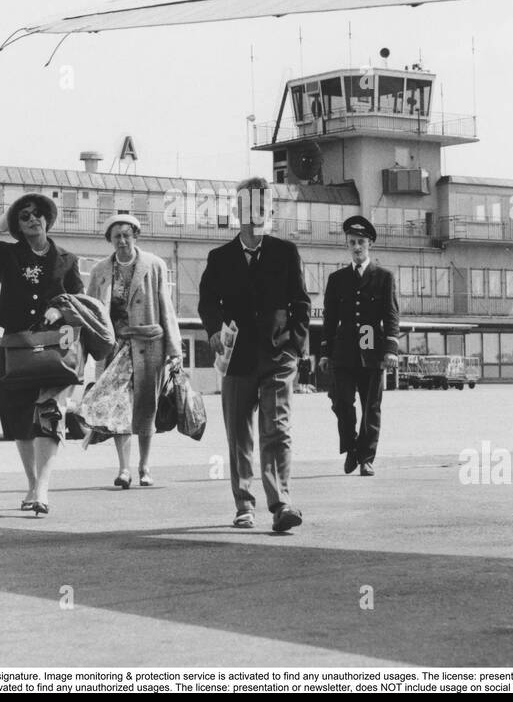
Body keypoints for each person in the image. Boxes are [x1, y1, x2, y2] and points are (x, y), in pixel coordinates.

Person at [198, 177, 310, 532]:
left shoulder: (286, 252)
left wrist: (295, 345)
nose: (256, 214)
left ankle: (281, 504)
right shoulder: (219, 258)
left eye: (263, 207)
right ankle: (244, 505)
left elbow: (301, 303)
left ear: (270, 212)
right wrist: (214, 331)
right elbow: (207, 303)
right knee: (239, 434)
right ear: (237, 211)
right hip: (236, 359)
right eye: (249, 208)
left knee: (276, 429)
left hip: (278, 356)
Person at [0, 193, 85, 517]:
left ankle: (42, 488)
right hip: (16, 346)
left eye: (37, 213)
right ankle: (32, 483)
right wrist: (0, 224)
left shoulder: (67, 259)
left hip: (54, 348)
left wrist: (60, 311)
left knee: (49, 413)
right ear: (17, 224)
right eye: (24, 216)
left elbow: (80, 302)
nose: (32, 219)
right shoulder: (8, 254)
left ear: (47, 218)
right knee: (18, 418)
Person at [87, 214, 182, 488]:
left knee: (147, 406)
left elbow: (166, 307)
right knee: (120, 408)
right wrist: (90, 347)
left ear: (135, 236)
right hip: (115, 348)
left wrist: (174, 350)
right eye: (116, 236)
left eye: (126, 235)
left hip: (149, 345)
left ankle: (145, 465)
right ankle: (124, 468)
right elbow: (91, 311)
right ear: (110, 240)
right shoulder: (100, 270)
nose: (122, 241)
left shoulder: (154, 265)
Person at [319, 215, 400, 476]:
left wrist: (391, 349)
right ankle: (351, 447)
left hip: (372, 349)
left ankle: (366, 458)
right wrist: (325, 353)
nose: (356, 247)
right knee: (341, 402)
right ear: (347, 245)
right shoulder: (337, 279)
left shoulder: (384, 277)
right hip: (344, 351)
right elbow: (330, 319)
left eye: (361, 242)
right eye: (352, 242)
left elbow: (391, 315)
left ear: (369, 244)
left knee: (371, 406)